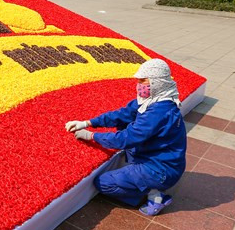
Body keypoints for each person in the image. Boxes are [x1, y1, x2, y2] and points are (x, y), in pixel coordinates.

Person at [65, 58, 187, 216]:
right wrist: (88, 122)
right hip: (161, 161)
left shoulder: (159, 111)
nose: (139, 86)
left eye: (143, 81)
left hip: (160, 170)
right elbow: (122, 114)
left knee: (103, 183)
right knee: (123, 122)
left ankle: (154, 195)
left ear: (158, 82)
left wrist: (91, 136)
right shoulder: (154, 100)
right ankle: (142, 181)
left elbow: (126, 139)